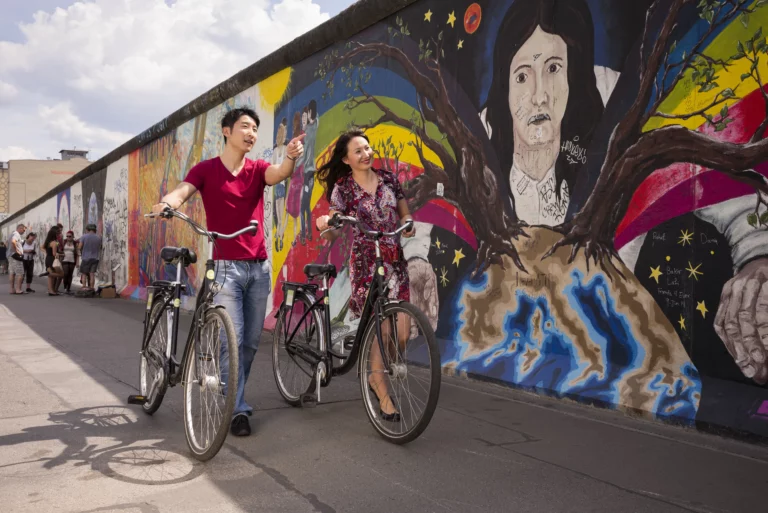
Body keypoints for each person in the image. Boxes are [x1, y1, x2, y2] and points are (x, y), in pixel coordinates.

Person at [151, 107, 305, 437]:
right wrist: (168, 204)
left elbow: (279, 173)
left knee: (249, 343)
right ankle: (236, 408)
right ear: (226, 131)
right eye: (245, 127)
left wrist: (291, 157)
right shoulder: (206, 170)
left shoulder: (258, 168)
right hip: (225, 270)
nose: (251, 133)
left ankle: (230, 390)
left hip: (258, 268)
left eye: (255, 129)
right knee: (231, 339)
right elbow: (182, 192)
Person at [315, 129, 415, 421]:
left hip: (394, 258)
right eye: (358, 151)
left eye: (368, 148)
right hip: (366, 261)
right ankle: (380, 387)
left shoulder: (389, 180)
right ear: (346, 160)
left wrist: (408, 223)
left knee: (403, 332)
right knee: (381, 329)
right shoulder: (343, 188)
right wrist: (327, 225)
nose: (366, 154)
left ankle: (378, 370)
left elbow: (405, 213)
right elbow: (334, 226)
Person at [482, 0, 603, 227]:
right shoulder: (481, 171)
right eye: (522, 77)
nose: (539, 96)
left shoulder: (594, 176)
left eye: (553, 68)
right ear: (505, 89)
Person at [42, 227, 65, 296]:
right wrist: (62, 254)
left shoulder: (48, 242)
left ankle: (51, 290)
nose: (59, 234)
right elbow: (54, 253)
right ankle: (48, 275)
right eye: (58, 233)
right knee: (60, 274)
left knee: (51, 277)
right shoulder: (54, 243)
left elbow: (42, 247)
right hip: (52, 259)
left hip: (48, 259)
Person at [78, 224, 101, 290]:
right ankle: (91, 287)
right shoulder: (98, 238)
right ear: (94, 230)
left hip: (86, 258)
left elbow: (79, 247)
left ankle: (84, 286)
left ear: (87, 229)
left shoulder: (84, 237)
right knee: (92, 274)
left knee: (84, 273)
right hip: (95, 258)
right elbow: (99, 247)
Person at [8, 223, 26, 295]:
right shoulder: (16, 234)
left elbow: (7, 243)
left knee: (12, 273)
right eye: (23, 230)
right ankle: (18, 289)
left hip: (11, 256)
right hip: (16, 257)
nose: (24, 232)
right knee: (20, 273)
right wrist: (17, 251)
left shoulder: (11, 234)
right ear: (20, 228)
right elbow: (13, 242)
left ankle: (12, 289)